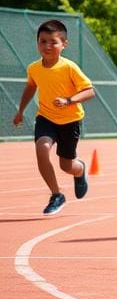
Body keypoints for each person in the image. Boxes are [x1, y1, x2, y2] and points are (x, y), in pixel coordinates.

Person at [13, 19, 97, 215]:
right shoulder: (34, 68)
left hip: (70, 121)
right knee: (42, 149)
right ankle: (56, 194)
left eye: (53, 42)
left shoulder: (69, 67)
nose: (47, 46)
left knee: (66, 165)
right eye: (42, 41)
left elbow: (90, 91)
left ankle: (80, 170)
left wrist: (69, 100)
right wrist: (20, 111)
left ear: (63, 44)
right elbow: (31, 86)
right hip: (46, 117)